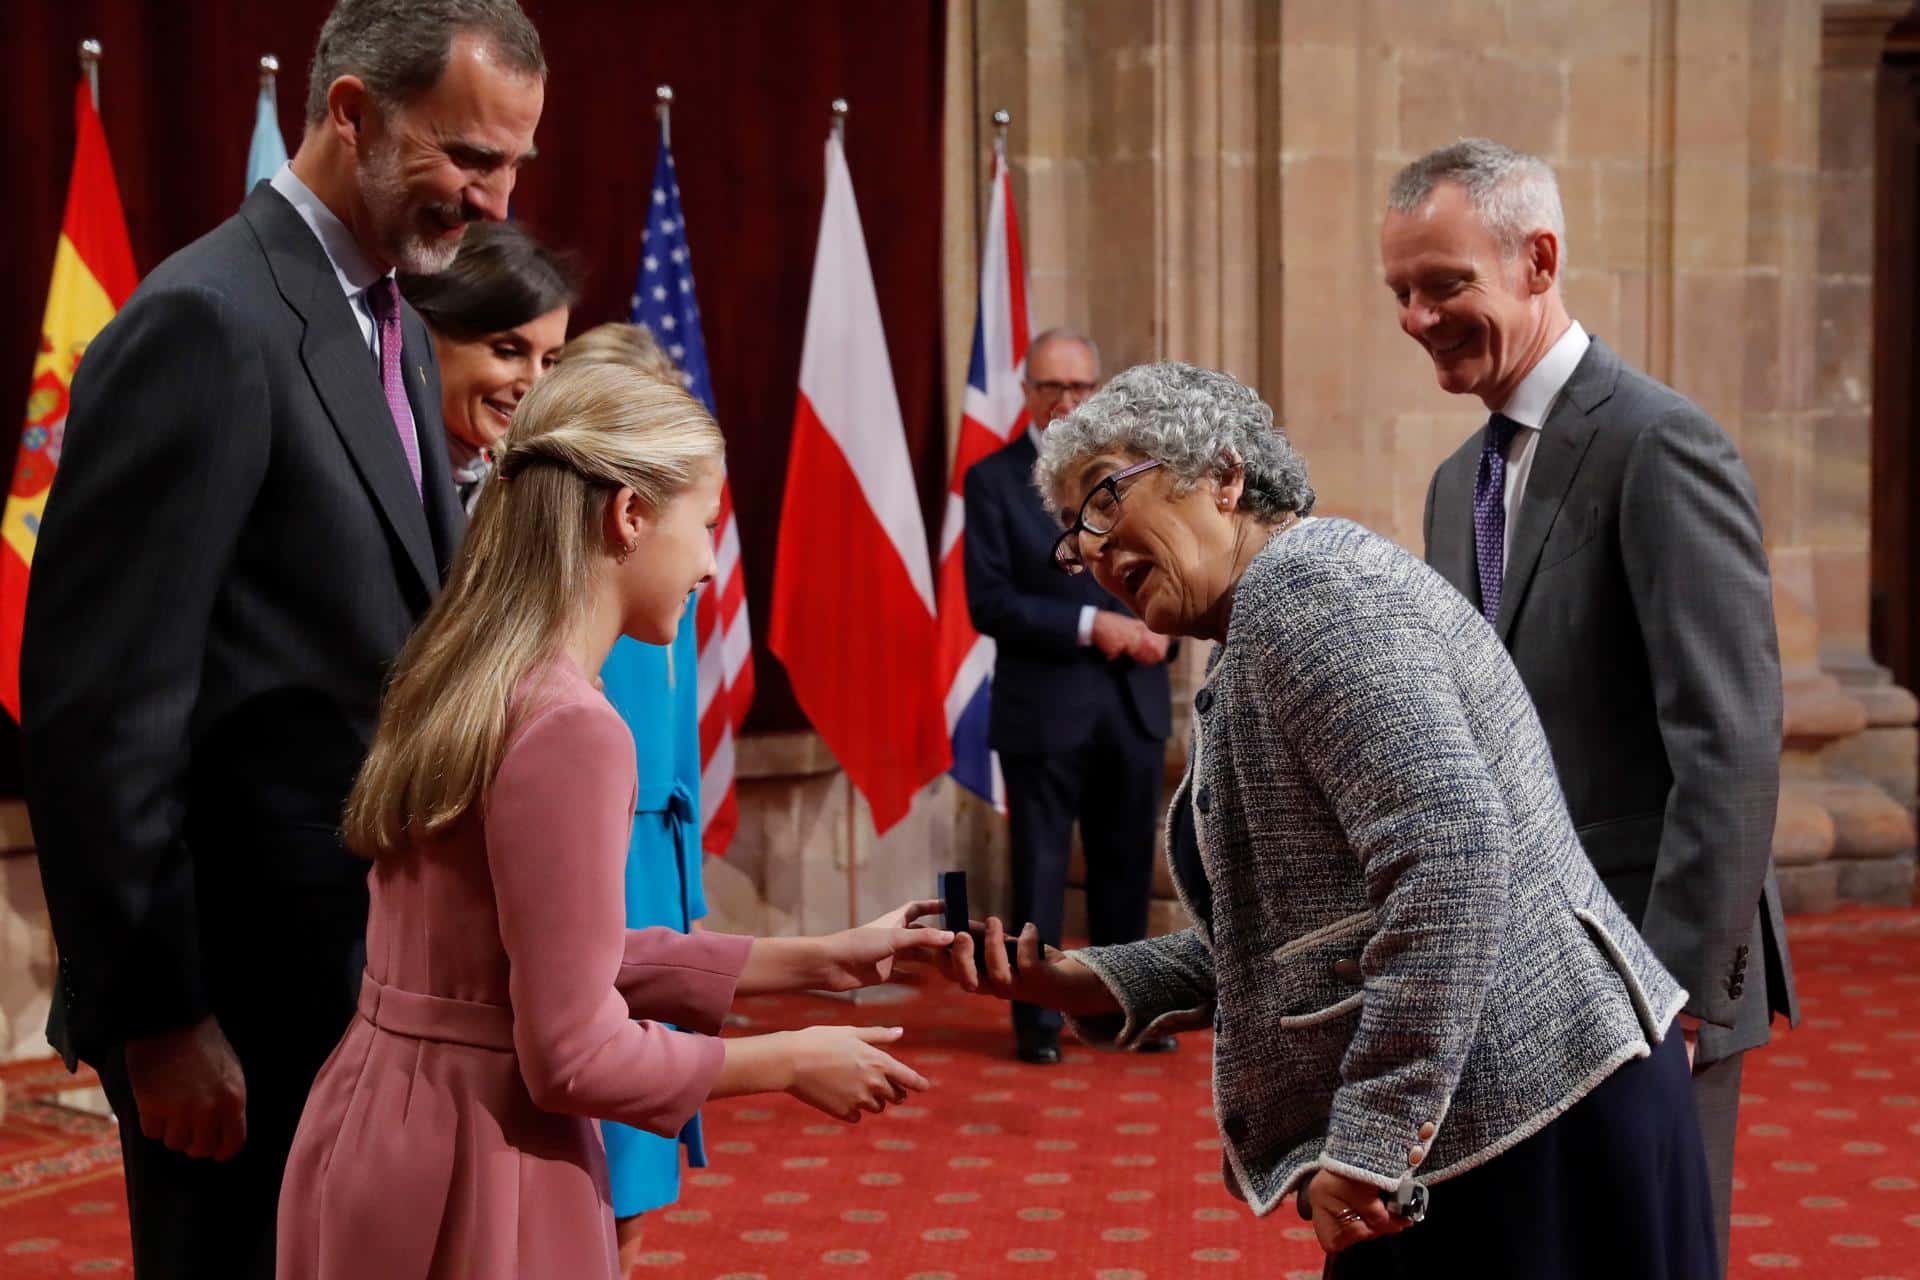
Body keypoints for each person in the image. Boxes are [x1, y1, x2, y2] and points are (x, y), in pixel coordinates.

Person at [940, 361, 1718, 1277]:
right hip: (1503, 1113)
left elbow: (1452, 861)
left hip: (1531, 1122)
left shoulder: (1310, 597)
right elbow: (1308, 929)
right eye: (1076, 538)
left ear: (1224, 477)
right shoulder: (1275, 613)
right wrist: (1088, 980)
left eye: (1106, 501)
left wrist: (1375, 1139)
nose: (1097, 552)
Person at [20, 2, 543, 1274]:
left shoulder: (391, 319)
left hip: (371, 990)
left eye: (517, 161)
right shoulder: (205, 321)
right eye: (470, 157)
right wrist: (162, 1017)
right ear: (352, 113)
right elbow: (104, 715)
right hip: (241, 1012)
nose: (496, 200)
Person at [276, 360, 952, 1280]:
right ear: (628, 515)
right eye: (706, 527)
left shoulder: (456, 670)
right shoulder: (573, 727)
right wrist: (790, 1059)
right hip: (483, 1154)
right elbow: (572, 1053)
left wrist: (818, 961)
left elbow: (538, 955)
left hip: (375, 1118)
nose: (713, 564)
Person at [1385, 138, 1795, 1273]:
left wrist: (1673, 993)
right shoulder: (1448, 484)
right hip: (1510, 986)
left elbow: (1731, 740)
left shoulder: (1660, 443)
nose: (1418, 316)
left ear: (1539, 259)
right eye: (1401, 292)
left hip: (1650, 984)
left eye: (1445, 284)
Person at [961, 328, 1173, 1066]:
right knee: (1042, 876)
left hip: (1133, 704)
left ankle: (1121, 1011)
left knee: (1124, 871)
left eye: (1082, 388)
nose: (1068, 402)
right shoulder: (992, 481)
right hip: (1044, 710)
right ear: (1027, 394)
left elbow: (1169, 565)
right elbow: (989, 604)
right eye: (1052, 388)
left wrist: (1166, 625)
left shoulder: (1133, 477)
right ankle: (1039, 1021)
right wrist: (1093, 626)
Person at [559, 322, 709, 1268]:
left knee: (640, 1171)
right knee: (597, 1142)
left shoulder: (668, 577)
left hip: (660, 846)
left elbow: (678, 714)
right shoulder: (568, 572)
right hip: (592, 846)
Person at [400, 220, 576, 511]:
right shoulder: (369, 467)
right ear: (419, 331)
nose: (534, 384)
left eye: (549, 361)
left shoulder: (526, 493)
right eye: (508, 352)